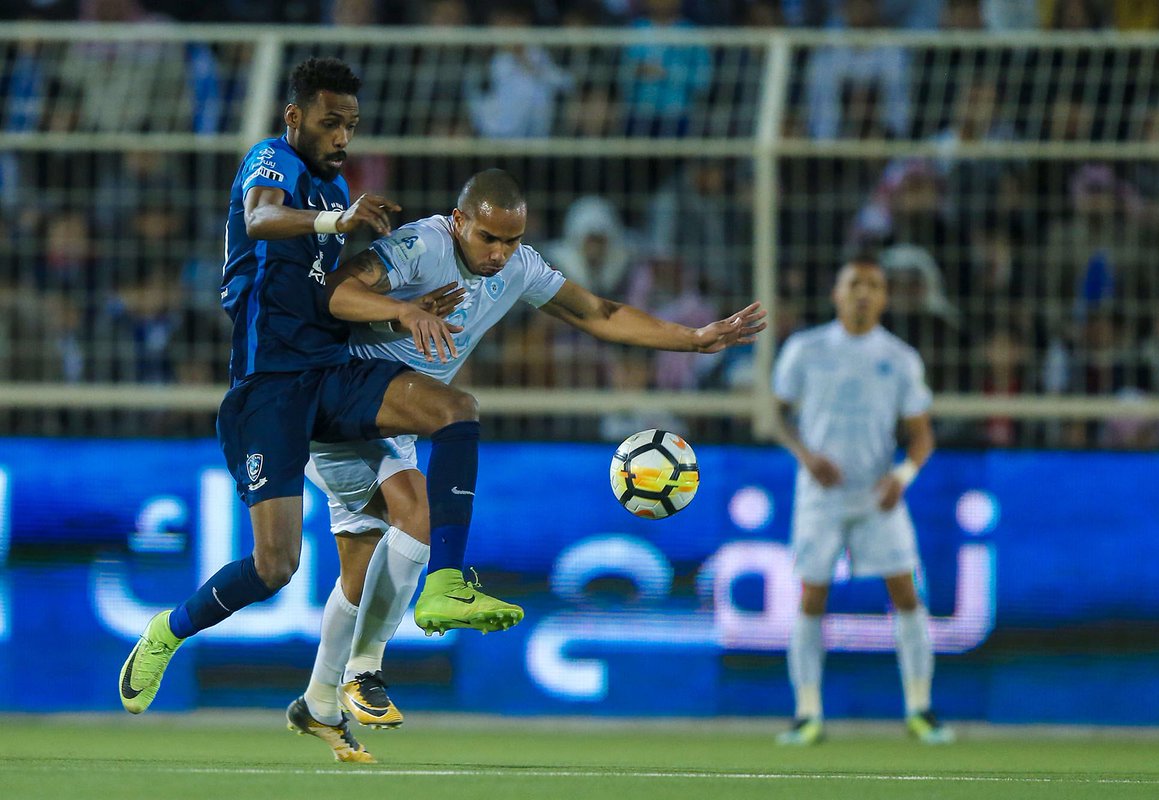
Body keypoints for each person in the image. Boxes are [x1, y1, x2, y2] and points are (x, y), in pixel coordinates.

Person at [116, 59, 519, 764]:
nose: (343, 137)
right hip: (268, 386)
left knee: (452, 414)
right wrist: (340, 218)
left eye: (352, 126)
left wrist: (403, 314)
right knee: (275, 567)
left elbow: (327, 295)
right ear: (296, 116)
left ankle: (402, 628)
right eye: (332, 122)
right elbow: (260, 219)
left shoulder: (334, 186)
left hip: (332, 373)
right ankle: (168, 632)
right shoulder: (271, 162)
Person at [297, 167, 767, 760]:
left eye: (512, 239)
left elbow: (598, 312)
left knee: (365, 570)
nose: (500, 253)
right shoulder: (420, 246)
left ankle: (316, 702)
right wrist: (406, 311)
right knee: (420, 505)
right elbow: (335, 292)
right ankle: (367, 666)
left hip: (401, 417)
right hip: (346, 400)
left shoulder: (520, 268)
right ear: (460, 220)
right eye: (489, 238)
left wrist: (692, 338)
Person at [772, 255, 954, 746]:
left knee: (906, 594)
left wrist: (903, 474)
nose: (862, 293)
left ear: (885, 297)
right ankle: (807, 714)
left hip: (878, 495)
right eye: (854, 283)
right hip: (821, 496)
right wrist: (805, 456)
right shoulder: (806, 349)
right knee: (812, 596)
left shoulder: (899, 358)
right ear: (836, 292)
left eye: (873, 285)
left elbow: (922, 435)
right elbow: (776, 414)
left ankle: (920, 709)